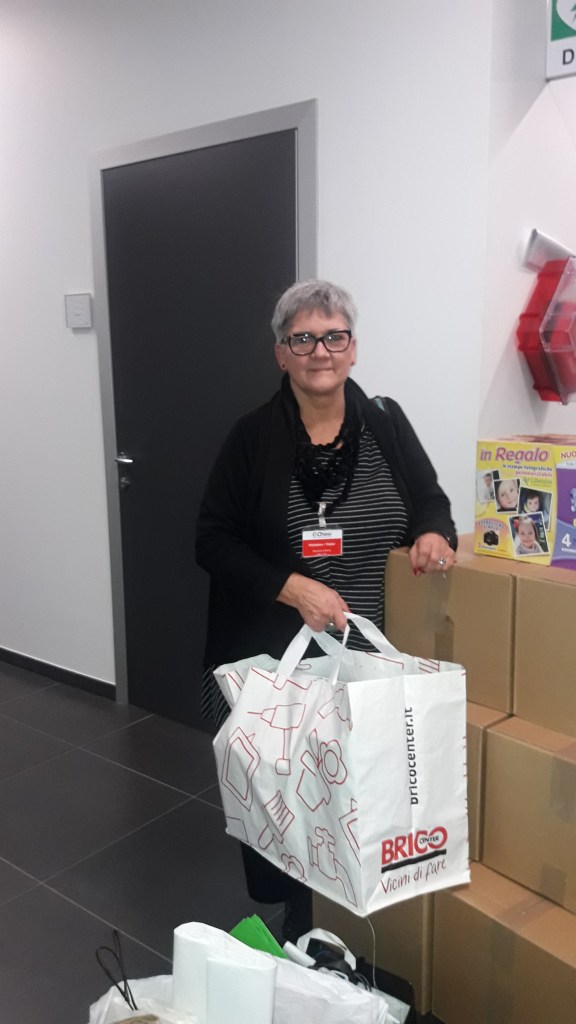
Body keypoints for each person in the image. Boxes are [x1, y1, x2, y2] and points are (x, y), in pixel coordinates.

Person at [195, 279, 457, 940]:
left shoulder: (386, 424)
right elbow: (212, 541)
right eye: (303, 338)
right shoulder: (252, 438)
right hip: (278, 664)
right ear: (281, 354)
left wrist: (432, 531)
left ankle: (353, 913)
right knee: (292, 807)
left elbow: (430, 500)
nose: (321, 351)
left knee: (361, 799)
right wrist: (292, 586)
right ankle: (302, 924)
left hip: (366, 663)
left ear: (353, 348)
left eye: (334, 336)